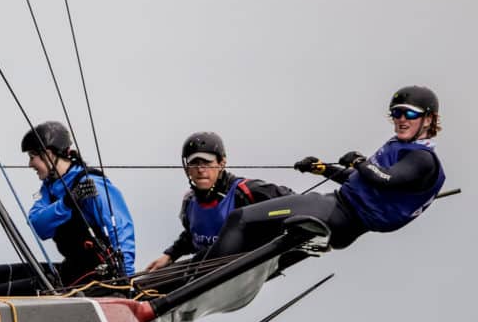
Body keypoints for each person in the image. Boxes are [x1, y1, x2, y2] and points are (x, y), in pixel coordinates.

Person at [207, 85, 446, 258]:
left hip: (333, 213)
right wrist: (323, 169)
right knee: (251, 233)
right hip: (339, 218)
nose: (402, 119)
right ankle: (185, 274)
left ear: (428, 120)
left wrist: (360, 161)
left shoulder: (422, 159)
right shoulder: (402, 148)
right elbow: (363, 182)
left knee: (239, 219)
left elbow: (386, 180)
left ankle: (201, 280)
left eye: (411, 114)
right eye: (396, 113)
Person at [0, 121, 136, 296]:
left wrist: (125, 281)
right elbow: (39, 225)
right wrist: (67, 203)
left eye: (32, 157)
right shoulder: (50, 188)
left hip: (95, 276)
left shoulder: (91, 184)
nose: (30, 164)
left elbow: (120, 229)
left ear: (49, 154)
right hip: (70, 271)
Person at [145, 132, 293, 271]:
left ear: (221, 163)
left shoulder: (246, 191)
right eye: (194, 163)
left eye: (207, 163)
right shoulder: (189, 201)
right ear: (187, 169)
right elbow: (193, 236)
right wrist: (170, 255)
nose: (201, 170)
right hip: (207, 273)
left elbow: (293, 200)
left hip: (242, 268)